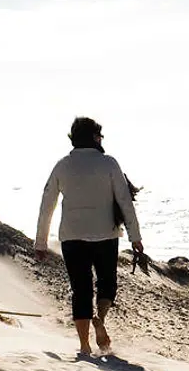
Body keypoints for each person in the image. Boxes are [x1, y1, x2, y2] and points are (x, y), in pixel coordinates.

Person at [34, 117, 144, 357]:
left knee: (80, 290)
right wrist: (135, 237)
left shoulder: (62, 165)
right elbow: (124, 201)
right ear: (94, 137)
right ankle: (100, 319)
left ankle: (84, 345)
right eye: (99, 136)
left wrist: (40, 243)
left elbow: (47, 204)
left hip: (72, 236)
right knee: (107, 283)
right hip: (105, 234)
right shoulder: (109, 163)